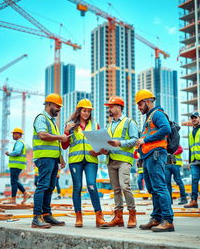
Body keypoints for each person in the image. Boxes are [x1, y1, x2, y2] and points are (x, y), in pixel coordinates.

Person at [62, 98, 108, 228]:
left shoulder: (95, 125)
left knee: (92, 185)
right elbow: (64, 146)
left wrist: (99, 151)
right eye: (84, 111)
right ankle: (78, 217)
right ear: (79, 111)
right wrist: (66, 132)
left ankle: (99, 217)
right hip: (75, 161)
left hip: (91, 160)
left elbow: (100, 144)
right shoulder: (70, 125)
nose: (86, 113)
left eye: (88, 111)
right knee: (77, 187)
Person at [135, 89, 174, 232]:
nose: (139, 107)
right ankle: (156, 218)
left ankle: (168, 220)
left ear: (147, 101)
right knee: (152, 188)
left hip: (156, 154)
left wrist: (144, 139)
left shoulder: (157, 114)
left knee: (159, 187)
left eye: (140, 104)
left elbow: (166, 129)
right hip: (148, 156)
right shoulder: (149, 117)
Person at [32, 93, 68, 229]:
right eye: (57, 106)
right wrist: (61, 137)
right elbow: (42, 135)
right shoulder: (42, 118)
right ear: (48, 105)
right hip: (44, 158)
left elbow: (55, 143)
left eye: (60, 106)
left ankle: (46, 214)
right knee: (43, 186)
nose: (59, 109)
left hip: (52, 159)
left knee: (50, 187)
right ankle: (37, 217)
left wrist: (61, 158)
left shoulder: (52, 122)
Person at [102, 96, 139, 228]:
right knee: (116, 190)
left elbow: (135, 140)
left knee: (125, 186)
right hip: (111, 159)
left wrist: (119, 143)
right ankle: (118, 217)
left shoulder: (129, 122)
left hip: (124, 160)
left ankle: (132, 214)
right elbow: (109, 142)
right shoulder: (109, 125)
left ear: (119, 107)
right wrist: (105, 149)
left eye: (111, 107)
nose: (109, 109)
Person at [5, 128, 31, 204]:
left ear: (19, 135)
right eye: (13, 133)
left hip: (16, 165)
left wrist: (9, 153)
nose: (13, 135)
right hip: (17, 165)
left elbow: (17, 151)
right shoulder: (20, 142)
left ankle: (13, 199)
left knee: (13, 181)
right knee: (15, 181)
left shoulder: (19, 142)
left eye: (15, 133)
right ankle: (26, 194)